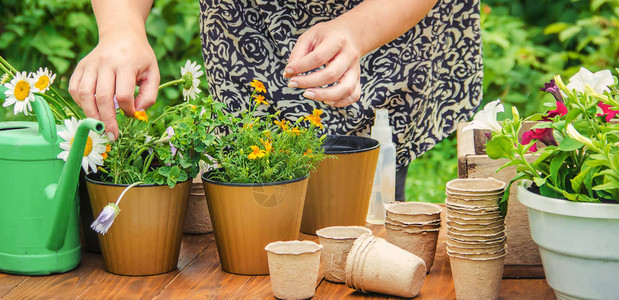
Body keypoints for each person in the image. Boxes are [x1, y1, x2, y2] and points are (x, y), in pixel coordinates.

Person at [70, 0, 482, 201]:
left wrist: (360, 30)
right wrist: (121, 27)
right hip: (247, 25)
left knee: (362, 193)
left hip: (383, 19)